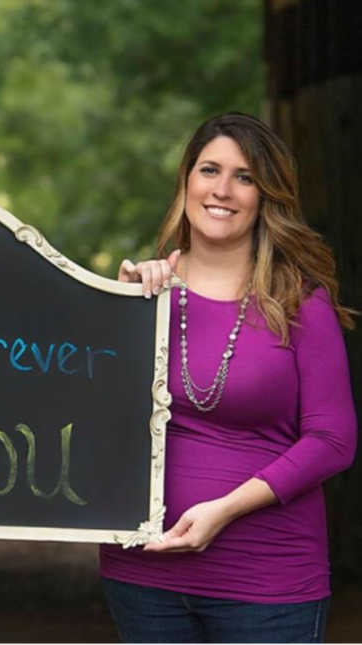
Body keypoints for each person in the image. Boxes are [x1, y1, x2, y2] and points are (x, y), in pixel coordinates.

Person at [104, 112, 357, 643]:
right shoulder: (142, 297)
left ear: (267, 196)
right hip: (142, 575)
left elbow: (333, 440)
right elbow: (91, 416)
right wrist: (119, 310)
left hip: (266, 582)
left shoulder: (299, 303)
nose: (223, 190)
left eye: (244, 177)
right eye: (210, 170)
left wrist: (225, 509)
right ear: (186, 181)